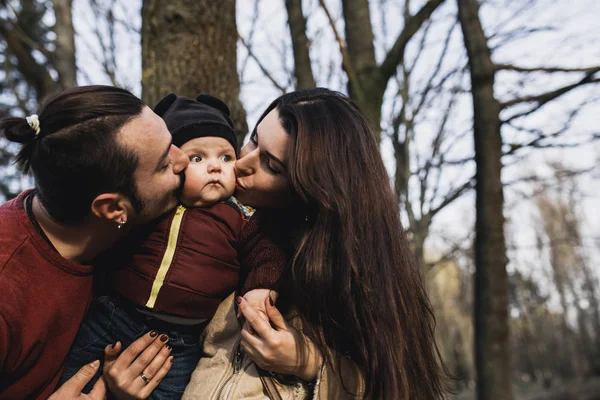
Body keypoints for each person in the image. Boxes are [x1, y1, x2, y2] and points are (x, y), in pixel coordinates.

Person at [183, 88, 449, 399]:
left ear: (311, 187)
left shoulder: (348, 272)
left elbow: (395, 386)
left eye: (272, 165)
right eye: (254, 140)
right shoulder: (204, 220)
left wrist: (308, 362)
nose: (243, 163)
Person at [59, 93, 290, 398]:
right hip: (115, 314)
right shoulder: (156, 205)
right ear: (174, 163)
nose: (215, 167)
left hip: (180, 340)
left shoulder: (238, 217)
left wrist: (261, 287)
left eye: (225, 157)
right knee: (76, 376)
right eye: (198, 158)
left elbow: (267, 252)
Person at [0, 85, 189, 399]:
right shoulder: (7, 288)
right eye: (164, 164)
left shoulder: (127, 229)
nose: (183, 160)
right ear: (113, 208)